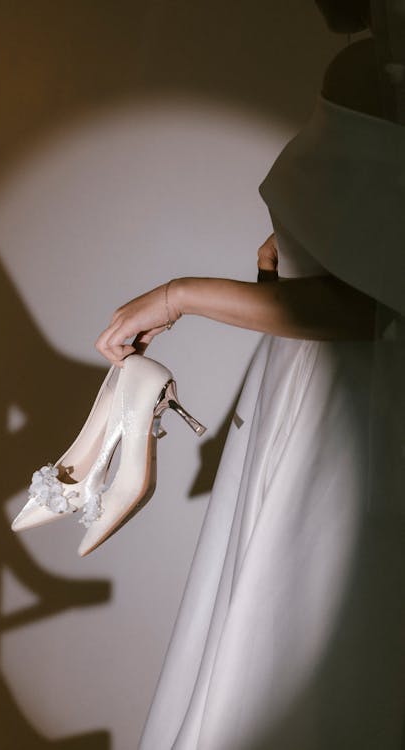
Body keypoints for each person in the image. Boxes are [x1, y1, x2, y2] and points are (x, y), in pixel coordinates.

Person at [95, 1, 405, 747]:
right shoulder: (375, 70)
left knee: (296, 629)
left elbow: (355, 307)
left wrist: (178, 297)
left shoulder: (381, 79)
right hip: (316, 398)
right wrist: (288, 253)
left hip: (341, 415)